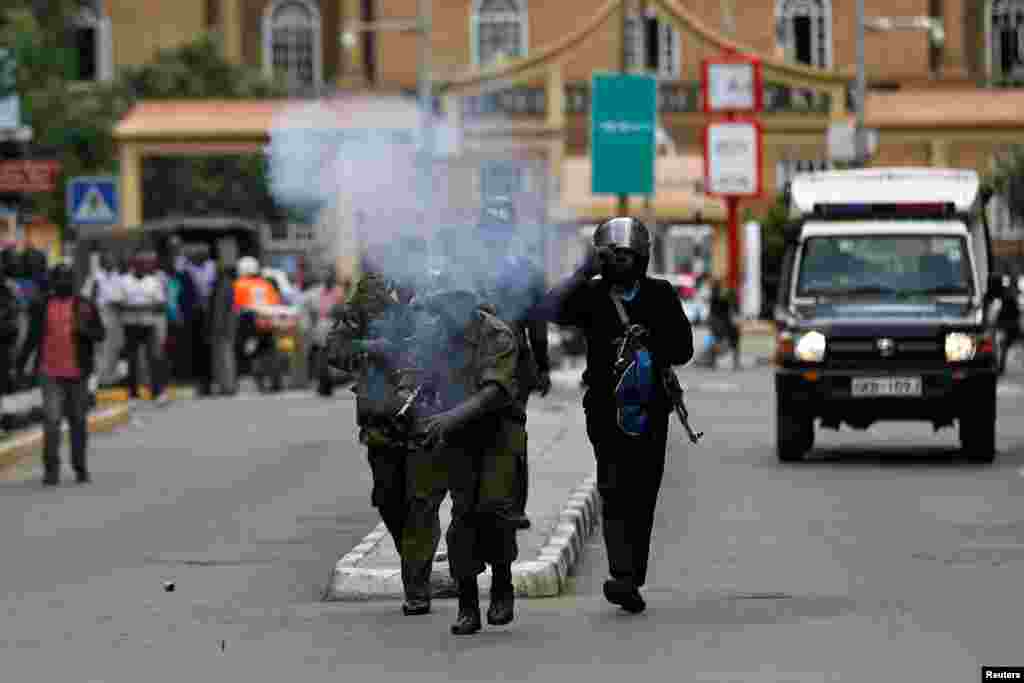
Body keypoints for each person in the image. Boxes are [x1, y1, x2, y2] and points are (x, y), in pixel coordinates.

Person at [537, 216, 693, 614]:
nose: (620, 261)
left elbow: (683, 349)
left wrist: (650, 340)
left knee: (643, 492)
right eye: (612, 255)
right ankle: (622, 575)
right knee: (613, 486)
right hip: (605, 410)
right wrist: (583, 271)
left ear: (641, 257)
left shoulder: (660, 294)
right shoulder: (591, 295)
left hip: (650, 409)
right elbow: (550, 309)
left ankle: (631, 575)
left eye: (627, 254)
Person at [411, 284, 525, 636]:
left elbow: (494, 393)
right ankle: (467, 604)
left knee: (495, 509)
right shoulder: (437, 335)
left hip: (498, 434)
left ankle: (502, 585)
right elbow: (418, 379)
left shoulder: (497, 334)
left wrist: (448, 418)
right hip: (458, 439)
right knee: (463, 517)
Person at [473, 196, 551, 530]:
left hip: (478, 361)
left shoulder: (468, 268)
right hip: (515, 362)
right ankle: (513, 507)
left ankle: (483, 504)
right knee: (513, 432)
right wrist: (543, 366)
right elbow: (538, 324)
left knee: (479, 431)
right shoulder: (528, 269)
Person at [24, 263, 104, 486]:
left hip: (78, 373)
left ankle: (80, 468)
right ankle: (51, 470)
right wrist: (21, 365)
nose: (63, 283)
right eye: (59, 279)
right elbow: (32, 337)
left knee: (78, 420)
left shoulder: (85, 305)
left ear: (74, 281)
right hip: (49, 373)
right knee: (51, 421)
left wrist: (84, 330)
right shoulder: (42, 306)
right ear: (53, 282)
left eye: (68, 279)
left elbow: (101, 334)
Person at [117, 250, 167, 402]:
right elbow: (118, 303)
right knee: (132, 361)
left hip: (148, 325)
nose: (143, 266)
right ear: (134, 265)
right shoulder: (123, 281)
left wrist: (137, 306)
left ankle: (157, 392)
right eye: (139, 263)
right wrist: (143, 306)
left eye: (145, 264)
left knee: (154, 358)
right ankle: (133, 393)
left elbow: (160, 304)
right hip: (130, 326)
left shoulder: (153, 281)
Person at [82, 251, 124, 387]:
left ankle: (111, 379)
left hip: (116, 314)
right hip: (101, 313)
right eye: (107, 260)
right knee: (100, 348)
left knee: (114, 347)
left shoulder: (118, 276)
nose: (111, 262)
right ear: (102, 262)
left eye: (112, 260)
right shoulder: (95, 277)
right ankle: (101, 379)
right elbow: (86, 296)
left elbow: (123, 295)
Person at [705, 279, 741, 371]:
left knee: (718, 341)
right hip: (721, 322)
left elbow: (728, 308)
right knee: (727, 341)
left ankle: (714, 361)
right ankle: (715, 361)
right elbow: (726, 307)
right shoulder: (718, 297)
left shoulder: (718, 296)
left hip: (721, 322)